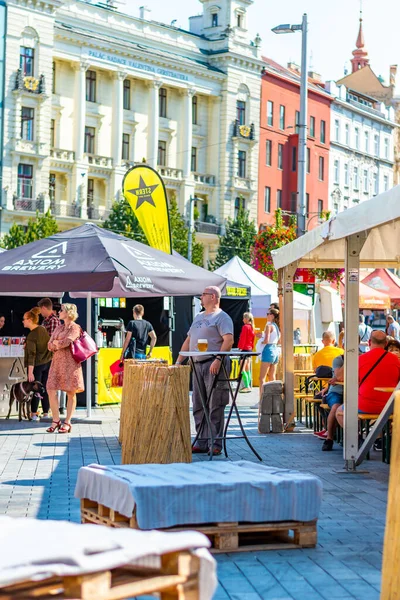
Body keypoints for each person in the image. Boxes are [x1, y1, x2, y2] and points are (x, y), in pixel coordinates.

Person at [176, 286, 233, 456]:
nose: (201, 297)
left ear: (214, 297)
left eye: (204, 294)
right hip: (197, 363)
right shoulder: (199, 316)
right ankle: (201, 441)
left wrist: (218, 359)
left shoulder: (222, 317)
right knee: (199, 403)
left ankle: (215, 443)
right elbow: (189, 339)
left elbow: (228, 340)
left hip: (213, 363)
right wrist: (179, 361)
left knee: (215, 404)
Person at [334, 331, 400, 447]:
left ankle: (356, 437)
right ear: (385, 343)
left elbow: (344, 378)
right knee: (382, 415)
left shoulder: (361, 359)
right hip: (391, 406)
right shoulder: (396, 360)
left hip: (365, 405)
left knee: (339, 411)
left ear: (369, 342)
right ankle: (379, 438)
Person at [46, 304, 84, 434]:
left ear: (68, 313)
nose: (59, 312)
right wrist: (55, 344)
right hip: (56, 363)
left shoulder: (75, 327)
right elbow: (49, 344)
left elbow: (67, 342)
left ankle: (67, 422)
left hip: (70, 364)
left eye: (61, 310)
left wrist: (57, 343)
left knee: (70, 391)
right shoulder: (59, 327)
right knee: (50, 388)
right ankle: (56, 420)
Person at [22, 307, 52, 421]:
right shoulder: (42, 329)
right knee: (45, 388)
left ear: (29, 320)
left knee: (35, 389)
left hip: (37, 366)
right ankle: (45, 413)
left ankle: (34, 414)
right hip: (47, 363)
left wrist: (30, 372)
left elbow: (32, 355)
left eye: (24, 319)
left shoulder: (31, 336)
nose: (23, 321)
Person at [258, 308, 280, 396]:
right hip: (275, 350)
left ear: (272, 315)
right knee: (272, 377)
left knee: (261, 378)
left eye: (268, 314)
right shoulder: (277, 327)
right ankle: (273, 398)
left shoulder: (269, 326)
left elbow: (266, 340)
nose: (266, 315)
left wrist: (261, 341)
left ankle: (262, 399)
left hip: (268, 349)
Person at [238, 312, 255, 393]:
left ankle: (246, 386)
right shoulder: (252, 327)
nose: (242, 319)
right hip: (249, 349)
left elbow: (243, 338)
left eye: (244, 318)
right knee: (247, 368)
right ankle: (248, 385)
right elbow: (252, 340)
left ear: (247, 319)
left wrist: (240, 348)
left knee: (242, 368)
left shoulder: (245, 327)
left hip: (244, 349)